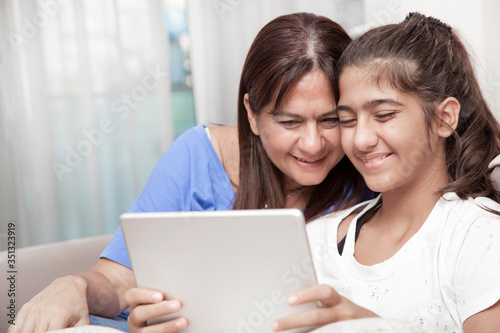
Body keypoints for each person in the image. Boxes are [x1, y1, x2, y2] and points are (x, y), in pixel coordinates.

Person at [9, 13, 370, 333]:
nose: (312, 144)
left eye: (331, 120)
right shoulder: (197, 156)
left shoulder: (367, 172)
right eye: (289, 121)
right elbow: (119, 280)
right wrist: (75, 285)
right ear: (251, 114)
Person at [271, 12, 500, 333]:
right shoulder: (315, 240)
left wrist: (374, 326)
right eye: (347, 120)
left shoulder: (480, 239)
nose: (361, 139)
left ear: (444, 118)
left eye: (383, 114)